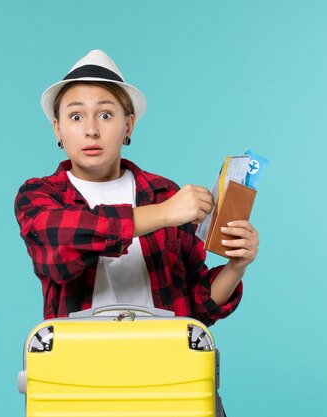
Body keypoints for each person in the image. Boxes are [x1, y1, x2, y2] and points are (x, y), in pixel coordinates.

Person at [15, 50, 259, 326]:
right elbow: (61, 240)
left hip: (163, 362)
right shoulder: (40, 196)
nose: (91, 130)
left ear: (128, 125)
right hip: (78, 364)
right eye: (76, 117)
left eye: (106, 115)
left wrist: (237, 267)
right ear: (57, 129)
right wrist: (165, 214)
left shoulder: (164, 193)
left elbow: (196, 311)